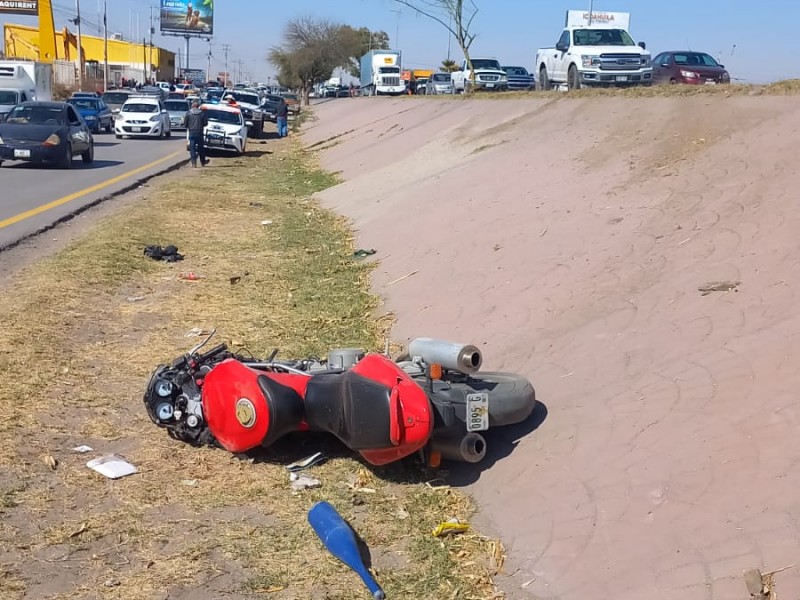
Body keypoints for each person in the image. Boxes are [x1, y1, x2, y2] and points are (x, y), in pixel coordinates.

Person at [185, 100, 209, 167]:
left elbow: (185, 124)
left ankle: (193, 163)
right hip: (199, 132)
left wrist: (189, 126)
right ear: (198, 107)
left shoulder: (188, 113)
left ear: (192, 107)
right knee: (200, 148)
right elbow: (205, 123)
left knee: (192, 148)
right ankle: (203, 162)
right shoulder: (202, 113)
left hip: (192, 132)